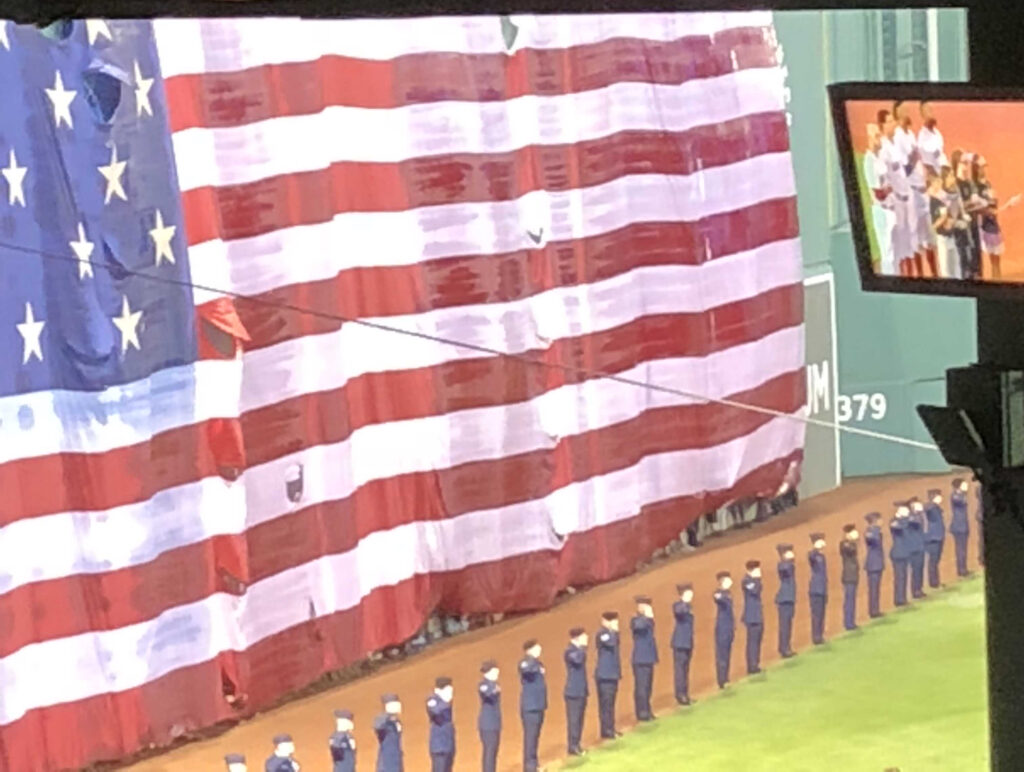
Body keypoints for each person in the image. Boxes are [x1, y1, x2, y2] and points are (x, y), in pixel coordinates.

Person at [894, 100, 934, 276]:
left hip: (922, 189)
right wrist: (912, 159)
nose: (907, 113)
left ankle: (934, 274)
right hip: (911, 193)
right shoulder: (897, 138)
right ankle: (920, 276)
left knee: (930, 236)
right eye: (903, 111)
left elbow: (918, 163)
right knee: (916, 238)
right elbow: (902, 171)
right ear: (897, 115)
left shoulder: (910, 133)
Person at [879, 108, 916, 277]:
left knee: (909, 243)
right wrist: (889, 203)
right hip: (896, 204)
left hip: (907, 198)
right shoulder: (883, 151)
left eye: (893, 120)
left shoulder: (896, 145)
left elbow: (903, 172)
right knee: (897, 248)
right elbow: (882, 181)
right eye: (889, 121)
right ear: (882, 125)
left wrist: (913, 161)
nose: (893, 124)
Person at [864, 122, 897, 275]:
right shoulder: (869, 160)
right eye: (877, 136)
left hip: (890, 209)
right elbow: (877, 194)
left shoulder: (881, 157)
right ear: (870, 138)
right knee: (887, 254)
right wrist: (893, 187)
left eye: (880, 134)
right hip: (881, 212)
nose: (880, 139)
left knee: (895, 251)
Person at [952, 149, 986, 279]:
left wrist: (980, 203)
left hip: (973, 228)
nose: (966, 167)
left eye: (967, 163)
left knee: (977, 264)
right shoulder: (954, 185)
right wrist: (969, 203)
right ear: (957, 164)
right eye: (963, 163)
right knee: (965, 267)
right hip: (962, 234)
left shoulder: (970, 183)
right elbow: (954, 209)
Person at [519, 639, 547, 772]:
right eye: (537, 647)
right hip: (530, 707)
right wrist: (535, 662)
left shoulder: (537, 663)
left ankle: (534, 764)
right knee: (530, 737)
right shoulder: (525, 662)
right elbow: (526, 670)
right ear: (529, 650)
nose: (539, 649)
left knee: (535, 736)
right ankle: (529, 767)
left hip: (538, 705)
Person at [594, 611, 622, 740]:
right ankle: (606, 730)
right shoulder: (602, 634)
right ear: (605, 621)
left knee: (610, 703)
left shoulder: (611, 634)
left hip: (612, 673)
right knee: (606, 704)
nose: (615, 624)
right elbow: (611, 643)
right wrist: (614, 631)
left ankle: (610, 728)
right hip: (604, 675)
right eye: (612, 621)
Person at [630, 595, 658, 722]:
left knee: (648, 686)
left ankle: (647, 709)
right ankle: (641, 712)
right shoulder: (636, 620)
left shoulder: (648, 620)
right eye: (643, 606)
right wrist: (648, 617)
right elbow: (639, 627)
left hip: (648, 657)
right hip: (640, 659)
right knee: (641, 687)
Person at [927, 168, 957, 278]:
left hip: (950, 235)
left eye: (940, 181)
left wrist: (950, 219)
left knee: (954, 269)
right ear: (932, 182)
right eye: (937, 181)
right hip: (941, 238)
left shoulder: (942, 196)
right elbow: (936, 220)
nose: (940, 183)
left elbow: (949, 212)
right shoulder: (930, 199)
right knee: (946, 272)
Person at [563, 628, 589, 757]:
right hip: (573, 691)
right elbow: (578, 660)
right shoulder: (570, 651)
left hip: (581, 689)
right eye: (584, 636)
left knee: (580, 719)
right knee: (574, 720)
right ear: (576, 638)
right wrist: (582, 648)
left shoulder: (577, 650)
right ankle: (572, 746)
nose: (586, 638)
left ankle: (577, 744)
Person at [671, 583, 696, 706]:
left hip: (687, 643)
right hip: (680, 643)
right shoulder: (679, 605)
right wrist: (685, 602)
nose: (691, 594)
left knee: (685, 670)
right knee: (680, 670)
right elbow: (679, 612)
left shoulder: (688, 606)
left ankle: (685, 693)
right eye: (689, 592)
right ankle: (680, 695)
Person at [426, 677, 455, 772]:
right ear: (438, 690)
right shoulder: (433, 701)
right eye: (448, 691)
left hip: (448, 745)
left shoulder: (445, 702)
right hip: (439, 747)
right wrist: (444, 701)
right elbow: (436, 712)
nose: (450, 694)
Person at [477, 661, 502, 772]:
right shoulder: (484, 685)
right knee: (489, 752)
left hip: (494, 723)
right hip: (487, 724)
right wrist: (494, 688)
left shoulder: (494, 685)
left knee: (493, 751)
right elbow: (489, 694)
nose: (497, 673)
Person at [741, 560, 764, 675]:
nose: (759, 571)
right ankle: (751, 665)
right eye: (757, 569)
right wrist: (756, 579)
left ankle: (756, 663)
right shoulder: (746, 581)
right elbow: (755, 590)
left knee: (757, 640)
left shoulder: (755, 581)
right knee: (752, 642)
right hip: (751, 615)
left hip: (757, 614)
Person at [774, 543, 797, 658]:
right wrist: (788, 559)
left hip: (789, 598)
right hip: (784, 599)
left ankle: (786, 646)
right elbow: (785, 569)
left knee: (788, 624)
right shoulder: (782, 565)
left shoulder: (789, 565)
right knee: (784, 625)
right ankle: (784, 648)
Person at [713, 571, 735, 689]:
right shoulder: (719, 593)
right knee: (721, 654)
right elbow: (718, 598)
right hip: (722, 628)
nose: (730, 582)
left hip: (729, 627)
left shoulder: (727, 593)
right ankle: (721, 680)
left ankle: (726, 677)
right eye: (728, 580)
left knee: (727, 653)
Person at [917, 100, 948, 175]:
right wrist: (936, 179)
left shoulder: (937, 133)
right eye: (927, 111)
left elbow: (940, 155)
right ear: (922, 114)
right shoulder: (922, 137)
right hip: (935, 177)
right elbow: (927, 164)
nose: (931, 114)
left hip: (944, 172)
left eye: (931, 110)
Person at [864, 512, 885, 618]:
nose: (882, 522)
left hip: (877, 563)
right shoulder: (870, 532)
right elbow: (873, 540)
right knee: (873, 589)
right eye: (880, 520)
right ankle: (873, 611)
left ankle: (876, 609)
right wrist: (876, 528)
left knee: (876, 588)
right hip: (872, 564)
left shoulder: (876, 532)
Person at [374, 694, 404, 772]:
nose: (399, 706)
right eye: (396, 704)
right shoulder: (382, 719)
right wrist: (388, 715)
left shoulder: (396, 721)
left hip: (396, 760)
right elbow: (378, 725)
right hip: (386, 763)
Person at [924, 488, 946, 589]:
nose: (941, 498)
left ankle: (935, 581)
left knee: (935, 561)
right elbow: (927, 510)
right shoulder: (930, 508)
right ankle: (934, 583)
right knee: (933, 562)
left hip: (938, 537)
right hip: (933, 538)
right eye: (939, 496)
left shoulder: (935, 508)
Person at [808, 533, 828, 645]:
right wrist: (815, 548)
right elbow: (811, 557)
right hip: (816, 589)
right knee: (816, 614)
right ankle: (816, 636)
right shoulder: (814, 555)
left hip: (822, 588)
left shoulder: (822, 556)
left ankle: (820, 635)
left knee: (821, 613)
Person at [840, 524, 860, 631]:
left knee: (852, 599)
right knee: (849, 600)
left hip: (852, 575)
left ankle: (851, 621)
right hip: (848, 575)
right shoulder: (844, 544)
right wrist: (851, 540)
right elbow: (850, 550)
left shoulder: (850, 544)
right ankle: (848, 623)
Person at [890, 503, 911, 607]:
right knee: (899, 577)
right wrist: (902, 518)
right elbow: (900, 528)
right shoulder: (894, 522)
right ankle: (898, 599)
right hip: (898, 553)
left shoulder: (903, 521)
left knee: (904, 576)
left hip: (904, 552)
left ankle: (902, 597)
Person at [950, 478, 971, 577]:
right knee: (960, 549)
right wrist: (963, 493)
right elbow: (960, 501)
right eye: (964, 484)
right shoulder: (956, 496)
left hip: (963, 525)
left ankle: (964, 568)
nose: (966, 486)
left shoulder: (961, 496)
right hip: (958, 526)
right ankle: (961, 570)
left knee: (963, 549)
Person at [907, 497, 928, 599]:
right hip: (913, 548)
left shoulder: (919, 515)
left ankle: (919, 589)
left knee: (920, 569)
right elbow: (915, 523)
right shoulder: (910, 517)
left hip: (920, 546)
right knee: (915, 570)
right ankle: (915, 591)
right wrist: (917, 513)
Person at [975, 477, 985, 566]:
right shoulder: (980, 488)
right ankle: (982, 558)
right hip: (982, 517)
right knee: (982, 539)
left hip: (982, 516)